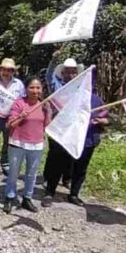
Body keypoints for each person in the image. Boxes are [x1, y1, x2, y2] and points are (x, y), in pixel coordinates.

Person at [43, 87, 109, 207]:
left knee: (81, 168)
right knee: (58, 166)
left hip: (88, 140)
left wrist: (101, 121)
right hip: (67, 138)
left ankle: (74, 194)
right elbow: (55, 112)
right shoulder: (69, 96)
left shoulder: (97, 100)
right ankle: (50, 192)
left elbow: (106, 118)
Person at [4, 77, 52, 214]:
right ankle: (10, 197)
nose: (35, 91)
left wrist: (49, 111)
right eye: (32, 87)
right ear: (26, 89)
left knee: (31, 174)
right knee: (13, 173)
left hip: (36, 145)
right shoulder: (19, 103)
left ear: (42, 90)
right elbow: (9, 125)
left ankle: (27, 198)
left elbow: (47, 125)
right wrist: (21, 117)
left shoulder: (44, 105)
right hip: (17, 143)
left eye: (38, 88)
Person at [43, 56, 83, 187]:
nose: (70, 74)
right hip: (56, 124)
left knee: (69, 153)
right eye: (68, 71)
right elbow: (49, 76)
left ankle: (67, 178)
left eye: (73, 71)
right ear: (63, 73)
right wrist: (54, 59)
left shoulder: (80, 89)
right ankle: (48, 177)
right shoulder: (57, 86)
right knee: (54, 153)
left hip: (72, 125)